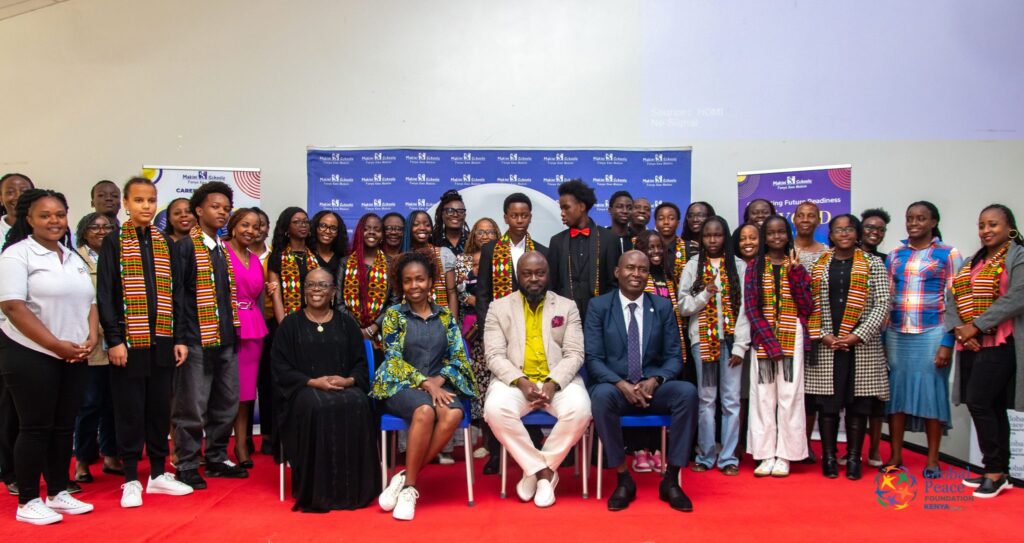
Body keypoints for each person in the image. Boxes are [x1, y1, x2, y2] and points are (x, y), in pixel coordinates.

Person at [0, 189, 97, 524]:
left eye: (59, 214)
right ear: (29, 218)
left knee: (62, 427)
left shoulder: (71, 257)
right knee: (35, 427)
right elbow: (13, 307)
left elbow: (91, 303)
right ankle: (27, 500)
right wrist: (56, 345)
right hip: (31, 354)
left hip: (72, 355)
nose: (54, 221)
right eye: (45, 215)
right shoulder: (17, 255)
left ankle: (57, 492)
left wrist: (91, 337)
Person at [97, 177, 195, 507]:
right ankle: (129, 478)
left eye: (151, 200)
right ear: (126, 203)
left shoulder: (165, 243)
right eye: (139, 200)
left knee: (158, 408)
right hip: (128, 341)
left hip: (163, 340)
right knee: (129, 409)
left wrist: (179, 337)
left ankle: (155, 474)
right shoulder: (114, 242)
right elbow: (106, 295)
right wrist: (114, 340)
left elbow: (176, 294)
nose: (146, 206)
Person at [586, 250, 698, 512]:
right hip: (616, 388)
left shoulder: (661, 306)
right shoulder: (599, 306)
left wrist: (657, 379)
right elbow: (593, 359)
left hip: (652, 388)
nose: (636, 274)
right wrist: (620, 384)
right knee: (600, 396)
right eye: (630, 268)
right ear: (617, 272)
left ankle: (671, 480)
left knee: (687, 393)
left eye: (643, 270)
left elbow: (674, 357)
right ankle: (624, 478)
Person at [371, 251, 477, 521]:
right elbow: (393, 359)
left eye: (420, 279)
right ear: (401, 284)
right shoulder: (394, 316)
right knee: (424, 412)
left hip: (437, 383)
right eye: (408, 281)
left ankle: (405, 477)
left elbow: (458, 356)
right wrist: (424, 383)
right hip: (400, 385)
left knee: (454, 413)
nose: (414, 285)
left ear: (431, 281)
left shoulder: (444, 317)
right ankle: (410, 488)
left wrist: (439, 380)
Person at [482, 251, 590, 508]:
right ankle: (543, 472)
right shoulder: (498, 307)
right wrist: (520, 381)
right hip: (516, 382)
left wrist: (553, 382)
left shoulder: (566, 306)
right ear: (518, 276)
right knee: (494, 410)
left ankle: (536, 471)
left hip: (558, 381)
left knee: (581, 410)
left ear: (548, 275)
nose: (534, 279)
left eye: (540, 273)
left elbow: (575, 353)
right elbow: (494, 356)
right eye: (527, 274)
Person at [273, 268, 379, 512]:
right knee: (316, 405)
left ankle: (354, 489)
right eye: (311, 285)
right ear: (303, 289)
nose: (316, 290)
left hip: (345, 386)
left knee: (358, 403)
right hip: (303, 390)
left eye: (322, 285)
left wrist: (349, 381)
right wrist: (313, 382)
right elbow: (280, 368)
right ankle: (317, 490)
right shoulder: (290, 325)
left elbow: (360, 364)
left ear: (333, 291)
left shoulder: (347, 324)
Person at [171, 181, 248, 490]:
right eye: (215, 207)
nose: (222, 213)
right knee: (192, 405)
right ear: (199, 210)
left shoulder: (222, 248)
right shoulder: (186, 246)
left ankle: (216, 458)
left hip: (226, 337)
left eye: (226, 209)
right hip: (195, 338)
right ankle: (187, 464)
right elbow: (177, 296)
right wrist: (180, 338)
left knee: (226, 402)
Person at [805, 214, 891, 481]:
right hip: (828, 344)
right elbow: (805, 304)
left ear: (857, 234)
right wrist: (823, 335)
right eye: (838, 230)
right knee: (827, 405)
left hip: (861, 345)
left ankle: (854, 458)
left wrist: (858, 335)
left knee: (859, 405)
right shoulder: (817, 263)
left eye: (849, 229)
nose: (844, 234)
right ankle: (829, 458)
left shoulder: (874, 263)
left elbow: (882, 303)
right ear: (830, 235)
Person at [948, 204, 1024, 498]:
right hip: (971, 343)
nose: (986, 230)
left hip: (1002, 341)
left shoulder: (1017, 256)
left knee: (981, 402)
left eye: (993, 224)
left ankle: (994, 471)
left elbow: (1018, 296)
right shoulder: (972, 261)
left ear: (1010, 228)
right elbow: (952, 295)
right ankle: (997, 470)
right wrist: (961, 331)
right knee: (986, 405)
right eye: (981, 225)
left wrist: (976, 326)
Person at [884, 201, 960, 478]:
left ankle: (932, 460)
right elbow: (888, 297)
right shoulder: (894, 255)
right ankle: (894, 456)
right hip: (896, 332)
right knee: (897, 395)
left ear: (933, 221)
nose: (914, 223)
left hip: (933, 333)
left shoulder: (948, 254)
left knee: (932, 395)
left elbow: (955, 301)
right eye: (910, 218)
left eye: (921, 218)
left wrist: (948, 343)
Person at [475, 194, 549, 472]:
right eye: (514, 215)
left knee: (527, 384)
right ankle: (496, 452)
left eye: (524, 215)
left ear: (530, 217)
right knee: (497, 391)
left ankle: (530, 445)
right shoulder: (491, 250)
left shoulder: (541, 250)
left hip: (531, 332)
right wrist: (488, 330)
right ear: (505, 217)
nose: (519, 220)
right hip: (498, 332)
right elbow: (482, 294)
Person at [678, 217, 751, 476]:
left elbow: (746, 309)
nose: (712, 240)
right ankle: (705, 455)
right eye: (707, 235)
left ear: (725, 237)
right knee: (706, 399)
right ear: (701, 238)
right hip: (703, 342)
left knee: (731, 400)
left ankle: (729, 457)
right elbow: (683, 306)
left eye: (718, 235)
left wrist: (741, 346)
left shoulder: (739, 266)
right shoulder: (693, 266)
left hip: (732, 343)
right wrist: (706, 293)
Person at [744, 214, 813, 478]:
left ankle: (786, 455)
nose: (775, 237)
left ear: (787, 234)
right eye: (770, 233)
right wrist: (769, 342)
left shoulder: (796, 265)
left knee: (790, 396)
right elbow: (751, 307)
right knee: (762, 398)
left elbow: (806, 306)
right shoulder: (754, 266)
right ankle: (764, 454)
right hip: (763, 340)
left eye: (780, 232)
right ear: (764, 237)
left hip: (791, 336)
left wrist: (796, 274)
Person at [263, 207, 319, 455]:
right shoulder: (277, 257)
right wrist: (286, 326)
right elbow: (276, 295)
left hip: (313, 327)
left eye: (306, 221)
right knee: (286, 385)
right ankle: (282, 443)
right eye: (297, 222)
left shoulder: (313, 255)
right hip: (285, 328)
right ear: (287, 227)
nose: (303, 225)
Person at [630, 230, 687, 472]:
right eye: (649, 248)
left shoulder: (668, 276)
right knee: (641, 398)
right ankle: (639, 450)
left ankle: (655, 449)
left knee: (660, 401)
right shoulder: (638, 282)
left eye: (658, 248)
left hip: (668, 349)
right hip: (645, 350)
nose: (655, 252)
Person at [72, 213, 122, 486]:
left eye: (107, 227)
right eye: (95, 226)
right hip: (90, 341)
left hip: (118, 342)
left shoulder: (120, 256)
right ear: (84, 231)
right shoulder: (75, 259)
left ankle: (111, 455)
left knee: (114, 404)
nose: (102, 231)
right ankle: (82, 460)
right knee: (89, 404)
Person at [224, 208, 268, 469]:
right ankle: (216, 446)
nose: (250, 231)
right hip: (227, 327)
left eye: (256, 226)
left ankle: (241, 445)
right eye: (245, 225)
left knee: (246, 394)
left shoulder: (254, 259)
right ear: (233, 225)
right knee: (222, 391)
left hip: (253, 328)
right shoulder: (220, 251)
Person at [0, 173, 33, 496]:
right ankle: (9, 470)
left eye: (24, 190)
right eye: (11, 191)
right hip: (9, 331)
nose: (17, 195)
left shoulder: (48, 237)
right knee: (9, 406)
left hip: (43, 335)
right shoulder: (11, 244)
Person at [547, 180, 621, 321]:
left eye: (566, 208)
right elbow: (552, 285)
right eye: (561, 208)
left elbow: (614, 284)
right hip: (565, 318)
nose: (562, 213)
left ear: (581, 206)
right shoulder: (556, 242)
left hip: (601, 318)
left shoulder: (609, 239)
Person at [792, 200, 828, 463]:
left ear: (818, 220)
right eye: (801, 215)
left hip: (814, 327)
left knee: (809, 391)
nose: (805, 219)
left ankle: (803, 443)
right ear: (793, 219)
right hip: (785, 326)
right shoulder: (783, 250)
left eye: (811, 215)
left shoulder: (826, 253)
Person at [857, 207, 892, 468]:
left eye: (880, 229)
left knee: (875, 395)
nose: (874, 232)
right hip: (846, 335)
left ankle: (875, 449)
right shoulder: (839, 258)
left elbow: (884, 301)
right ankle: (851, 450)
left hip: (880, 333)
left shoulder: (886, 260)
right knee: (850, 396)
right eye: (870, 227)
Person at [337, 213, 397, 348]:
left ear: (382, 235)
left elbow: (394, 302)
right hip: (349, 333)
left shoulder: (392, 264)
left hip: (381, 335)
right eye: (367, 228)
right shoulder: (345, 263)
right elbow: (339, 302)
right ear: (359, 232)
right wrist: (358, 330)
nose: (372, 232)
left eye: (377, 229)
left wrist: (373, 328)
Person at [732, 222, 760, 454]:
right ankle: (740, 445)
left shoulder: (765, 265)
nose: (747, 243)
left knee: (761, 395)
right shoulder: (733, 266)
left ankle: (759, 444)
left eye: (753, 238)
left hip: (764, 338)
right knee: (740, 395)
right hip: (739, 339)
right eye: (743, 238)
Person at [404, 210, 458, 320]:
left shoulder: (444, 254)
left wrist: (453, 325)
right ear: (409, 229)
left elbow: (452, 292)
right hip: (410, 321)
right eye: (416, 224)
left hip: (441, 320)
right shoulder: (403, 257)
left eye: (427, 224)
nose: (422, 228)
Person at [308, 210, 348, 281]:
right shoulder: (306, 255)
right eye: (323, 226)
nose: (327, 231)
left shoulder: (343, 257)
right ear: (315, 228)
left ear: (338, 233)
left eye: (333, 228)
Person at [654, 202, 686, 285]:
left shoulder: (688, 248)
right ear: (655, 223)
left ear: (678, 223)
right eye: (661, 218)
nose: (666, 222)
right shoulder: (646, 247)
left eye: (671, 218)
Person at [433, 189, 469, 256]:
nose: (455, 215)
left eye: (460, 211)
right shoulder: (432, 240)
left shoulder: (472, 239)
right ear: (442, 214)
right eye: (450, 211)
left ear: (464, 215)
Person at [0, 173, 33, 243]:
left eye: (24, 191)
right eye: (10, 192)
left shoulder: (43, 228)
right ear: (1, 198)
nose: (18, 197)